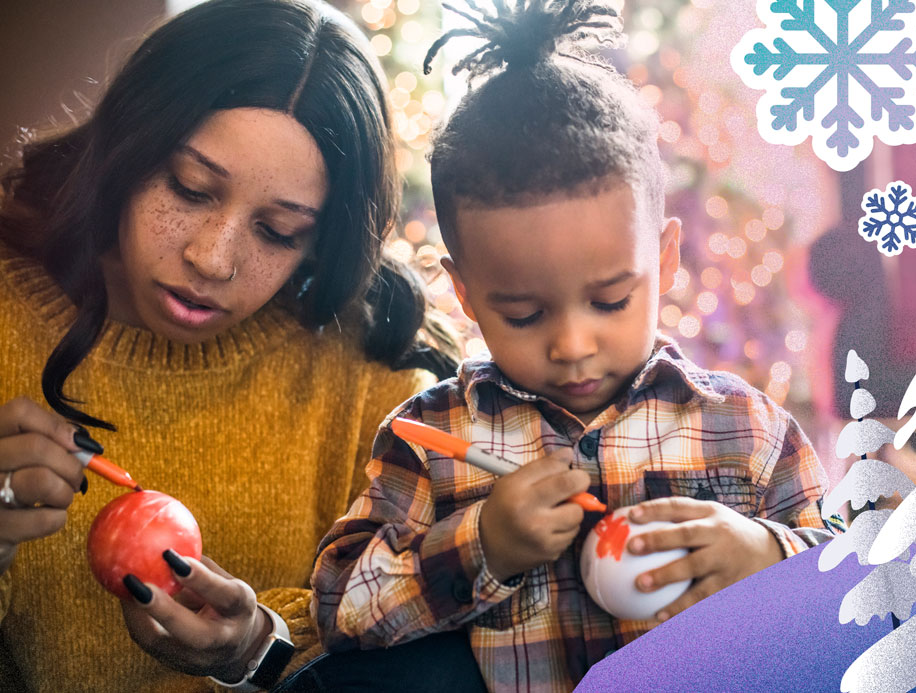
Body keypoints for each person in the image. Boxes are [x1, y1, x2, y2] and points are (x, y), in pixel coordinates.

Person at [310, 1, 845, 691]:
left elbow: (849, 582)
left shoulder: (746, 429)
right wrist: (483, 545)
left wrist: (763, 554)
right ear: (467, 294)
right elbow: (336, 608)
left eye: (611, 300)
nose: (572, 343)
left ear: (666, 256)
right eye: (525, 314)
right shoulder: (432, 438)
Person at [0, 1, 462, 691]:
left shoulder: (380, 381)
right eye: (189, 189)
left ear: (321, 240)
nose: (213, 259)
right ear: (127, 151)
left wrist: (261, 651)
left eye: (277, 231)